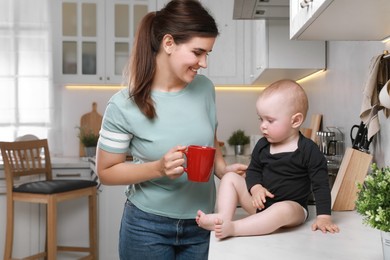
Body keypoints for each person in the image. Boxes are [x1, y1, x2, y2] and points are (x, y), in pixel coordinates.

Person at [95, 0, 247, 259]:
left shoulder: (205, 89)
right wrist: (157, 168)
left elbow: (210, 139)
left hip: (203, 223)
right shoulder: (124, 104)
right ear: (168, 43)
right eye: (197, 52)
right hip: (147, 228)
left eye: (207, 54)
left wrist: (223, 170)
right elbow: (106, 172)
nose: (204, 63)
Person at [196, 79, 340, 239]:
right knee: (230, 177)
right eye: (261, 119)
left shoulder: (308, 150)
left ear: (295, 121)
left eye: (270, 120)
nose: (263, 125)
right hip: (260, 205)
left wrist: (324, 216)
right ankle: (222, 218)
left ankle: (234, 228)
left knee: (283, 209)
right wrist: (256, 188)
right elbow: (253, 171)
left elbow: (321, 185)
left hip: (293, 209)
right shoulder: (262, 145)